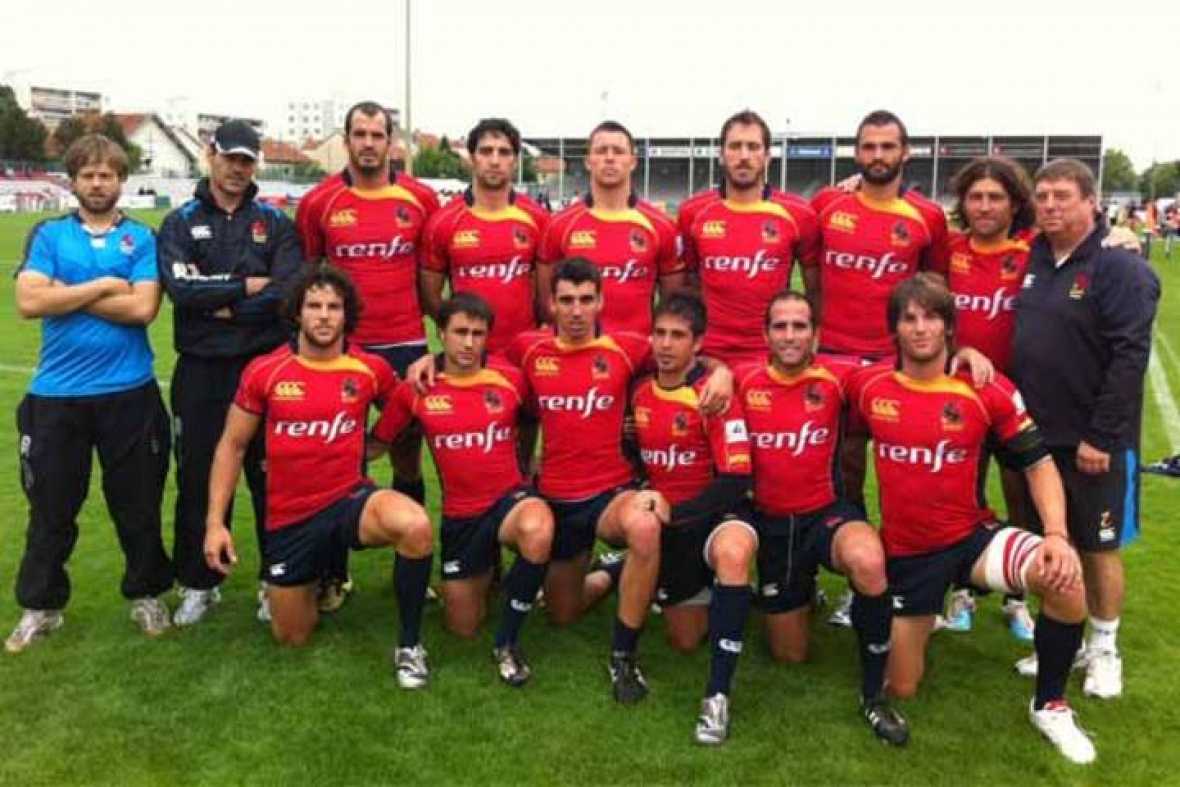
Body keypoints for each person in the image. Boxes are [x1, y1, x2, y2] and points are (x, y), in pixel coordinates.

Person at [408, 258, 729, 703]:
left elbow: (688, 355)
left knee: (643, 524)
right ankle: (613, 573)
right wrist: (431, 357)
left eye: (585, 300)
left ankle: (623, 655)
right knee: (562, 613)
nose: (576, 311)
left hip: (609, 494)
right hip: (554, 499)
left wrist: (724, 372)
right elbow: (472, 361)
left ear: (600, 301)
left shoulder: (626, 348)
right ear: (551, 304)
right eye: (566, 301)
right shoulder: (527, 349)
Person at [848, 273, 1095, 764]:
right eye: (909, 318)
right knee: (902, 686)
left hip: (971, 539)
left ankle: (1049, 703)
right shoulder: (867, 385)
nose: (920, 329)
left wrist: (1057, 535)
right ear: (894, 329)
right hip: (908, 554)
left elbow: (1038, 463)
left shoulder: (986, 387)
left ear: (948, 327)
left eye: (931, 317)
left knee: (1065, 581)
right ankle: (924, 615)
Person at [203, 266, 435, 688]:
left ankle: (409, 645)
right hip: (291, 517)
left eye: (334, 307)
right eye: (314, 306)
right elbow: (232, 446)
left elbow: (403, 404)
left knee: (416, 526)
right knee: (292, 637)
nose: (324, 316)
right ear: (297, 313)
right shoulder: (266, 371)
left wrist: (379, 442)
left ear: (347, 315)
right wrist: (215, 523)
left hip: (350, 500)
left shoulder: (369, 368)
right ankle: (311, 579)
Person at [8, 134, 173, 652]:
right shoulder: (50, 233)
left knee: (138, 504)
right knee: (51, 507)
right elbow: (29, 301)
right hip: (56, 397)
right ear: (74, 180)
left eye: (107, 175)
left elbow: (143, 309)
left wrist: (65, 295)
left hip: (130, 394)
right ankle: (42, 606)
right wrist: (104, 286)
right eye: (88, 175)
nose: (98, 183)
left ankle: (147, 596)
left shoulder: (142, 239)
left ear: (121, 181)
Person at [1009, 158, 1160, 700]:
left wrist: (1103, 434)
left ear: (1090, 202)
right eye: (1043, 196)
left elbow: (1129, 355)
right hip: (1040, 436)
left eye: (1062, 197)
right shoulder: (1036, 256)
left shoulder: (1119, 266)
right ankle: (1066, 641)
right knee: (1059, 541)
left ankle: (1105, 647)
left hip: (1093, 441)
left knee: (1097, 548)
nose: (1049, 205)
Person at [736, 290, 907, 745]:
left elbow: (910, 367)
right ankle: (800, 594)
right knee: (790, 656)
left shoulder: (839, 378)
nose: (790, 336)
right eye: (780, 326)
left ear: (816, 334)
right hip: (773, 525)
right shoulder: (741, 380)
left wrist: (965, 351)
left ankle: (874, 696)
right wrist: (714, 376)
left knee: (869, 560)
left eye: (799, 326)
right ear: (765, 334)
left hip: (826, 516)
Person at [156, 119, 303, 626]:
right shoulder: (179, 222)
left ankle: (272, 579)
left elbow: (286, 295)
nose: (238, 169)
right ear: (210, 154)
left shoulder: (275, 222)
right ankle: (199, 583)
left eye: (247, 160)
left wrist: (220, 302)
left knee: (271, 478)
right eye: (230, 158)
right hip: (200, 371)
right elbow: (181, 293)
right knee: (196, 477)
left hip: (263, 368)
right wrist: (245, 287)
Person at [372, 293, 553, 686]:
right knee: (463, 625)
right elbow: (378, 443)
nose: (469, 343)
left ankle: (508, 643)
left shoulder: (510, 378)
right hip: (461, 516)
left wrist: (531, 463)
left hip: (508, 502)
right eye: (459, 333)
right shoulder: (416, 388)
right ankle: (488, 576)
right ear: (440, 334)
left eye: (478, 333)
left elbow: (538, 418)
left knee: (538, 527)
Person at [294, 100, 440, 519]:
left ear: (391, 143)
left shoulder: (421, 199)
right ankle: (335, 572)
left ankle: (410, 552)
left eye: (377, 135)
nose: (369, 143)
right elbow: (308, 275)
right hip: (345, 347)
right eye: (360, 135)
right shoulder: (319, 202)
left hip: (407, 343)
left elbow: (434, 269)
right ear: (346, 141)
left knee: (407, 450)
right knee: (342, 451)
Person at [631, 294, 756, 744]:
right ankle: (614, 571)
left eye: (678, 336)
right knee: (684, 640)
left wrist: (677, 515)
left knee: (733, 553)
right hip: (671, 529)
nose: (665, 344)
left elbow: (736, 479)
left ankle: (717, 697)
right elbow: (632, 452)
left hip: (716, 517)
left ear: (698, 343)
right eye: (659, 333)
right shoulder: (640, 392)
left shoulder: (714, 396)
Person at [932, 156, 1038, 639]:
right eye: (976, 196)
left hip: (1018, 396)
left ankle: (1018, 597)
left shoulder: (1032, 250)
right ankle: (963, 590)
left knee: (1021, 493)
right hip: (960, 398)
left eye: (995, 197)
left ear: (1015, 203)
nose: (985, 206)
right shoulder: (949, 251)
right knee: (963, 496)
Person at [678, 110, 819, 366]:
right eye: (735, 146)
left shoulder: (798, 214)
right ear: (721, 154)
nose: (744, 156)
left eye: (753, 147)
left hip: (772, 355)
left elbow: (815, 289)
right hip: (709, 355)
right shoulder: (693, 213)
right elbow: (687, 283)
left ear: (767, 156)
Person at [537, 121, 686, 334]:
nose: (609, 157)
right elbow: (546, 302)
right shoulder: (560, 225)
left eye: (618, 151)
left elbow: (672, 302)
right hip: (578, 354)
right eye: (601, 151)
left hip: (638, 355)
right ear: (588, 161)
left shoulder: (661, 226)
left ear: (633, 161)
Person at [420, 118, 549, 356]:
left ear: (515, 160)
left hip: (523, 351)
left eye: (504, 152)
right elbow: (429, 293)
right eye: (486, 151)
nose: (494, 160)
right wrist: (454, 331)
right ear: (472, 157)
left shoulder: (538, 219)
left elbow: (547, 293)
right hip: (468, 357)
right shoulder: (443, 222)